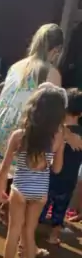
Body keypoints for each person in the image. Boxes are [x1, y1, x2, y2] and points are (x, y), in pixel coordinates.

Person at [0, 23, 64, 253]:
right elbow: (51, 109)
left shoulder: (16, 66)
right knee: (26, 193)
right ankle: (24, 246)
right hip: (23, 130)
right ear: (56, 49)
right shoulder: (50, 72)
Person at [0, 84, 66, 258]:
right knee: (29, 231)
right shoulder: (58, 137)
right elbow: (57, 169)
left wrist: (0, 190)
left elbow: (5, 167)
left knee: (14, 230)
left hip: (20, 188)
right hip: (40, 191)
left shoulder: (20, 135)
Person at [41, 89, 82, 244]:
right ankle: (54, 236)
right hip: (70, 178)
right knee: (60, 208)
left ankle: (30, 233)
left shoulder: (56, 130)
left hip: (50, 175)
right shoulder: (79, 134)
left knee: (42, 205)